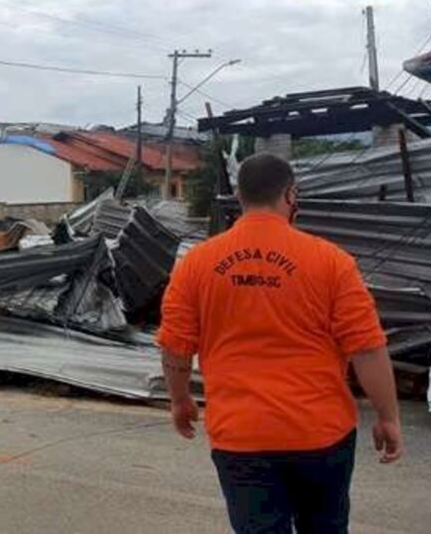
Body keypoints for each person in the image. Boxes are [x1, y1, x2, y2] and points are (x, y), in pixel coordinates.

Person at [158, 153, 403, 534]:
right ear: (291, 195)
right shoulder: (331, 261)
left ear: (239, 196)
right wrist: (388, 417)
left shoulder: (196, 264)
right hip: (321, 434)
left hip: (241, 436)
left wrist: (179, 399)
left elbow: (175, 346)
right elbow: (367, 347)